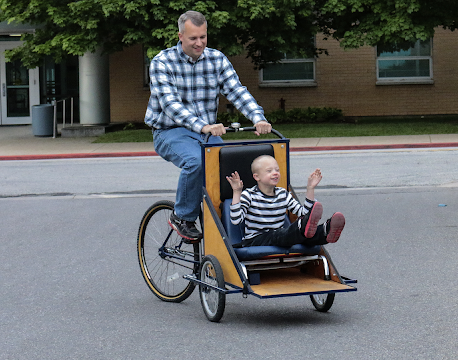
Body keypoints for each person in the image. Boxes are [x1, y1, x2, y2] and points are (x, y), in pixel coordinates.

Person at [145, 10, 272, 242]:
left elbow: (236, 90)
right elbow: (170, 104)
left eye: (203, 37)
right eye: (193, 38)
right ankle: (182, 217)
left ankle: (234, 221)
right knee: (196, 161)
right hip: (170, 131)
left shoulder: (216, 59)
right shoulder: (162, 62)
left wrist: (257, 117)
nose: (199, 43)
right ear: (180, 36)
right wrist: (203, 125)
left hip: (204, 132)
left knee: (230, 168)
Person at [226, 155, 346, 247]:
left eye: (277, 170)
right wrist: (237, 192)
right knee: (283, 233)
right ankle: (302, 227)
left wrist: (310, 188)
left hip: (278, 236)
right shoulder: (249, 195)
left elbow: (304, 214)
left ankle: (325, 231)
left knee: (305, 235)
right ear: (257, 177)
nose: (275, 173)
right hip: (255, 239)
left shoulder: (283, 194)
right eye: (269, 171)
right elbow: (236, 220)